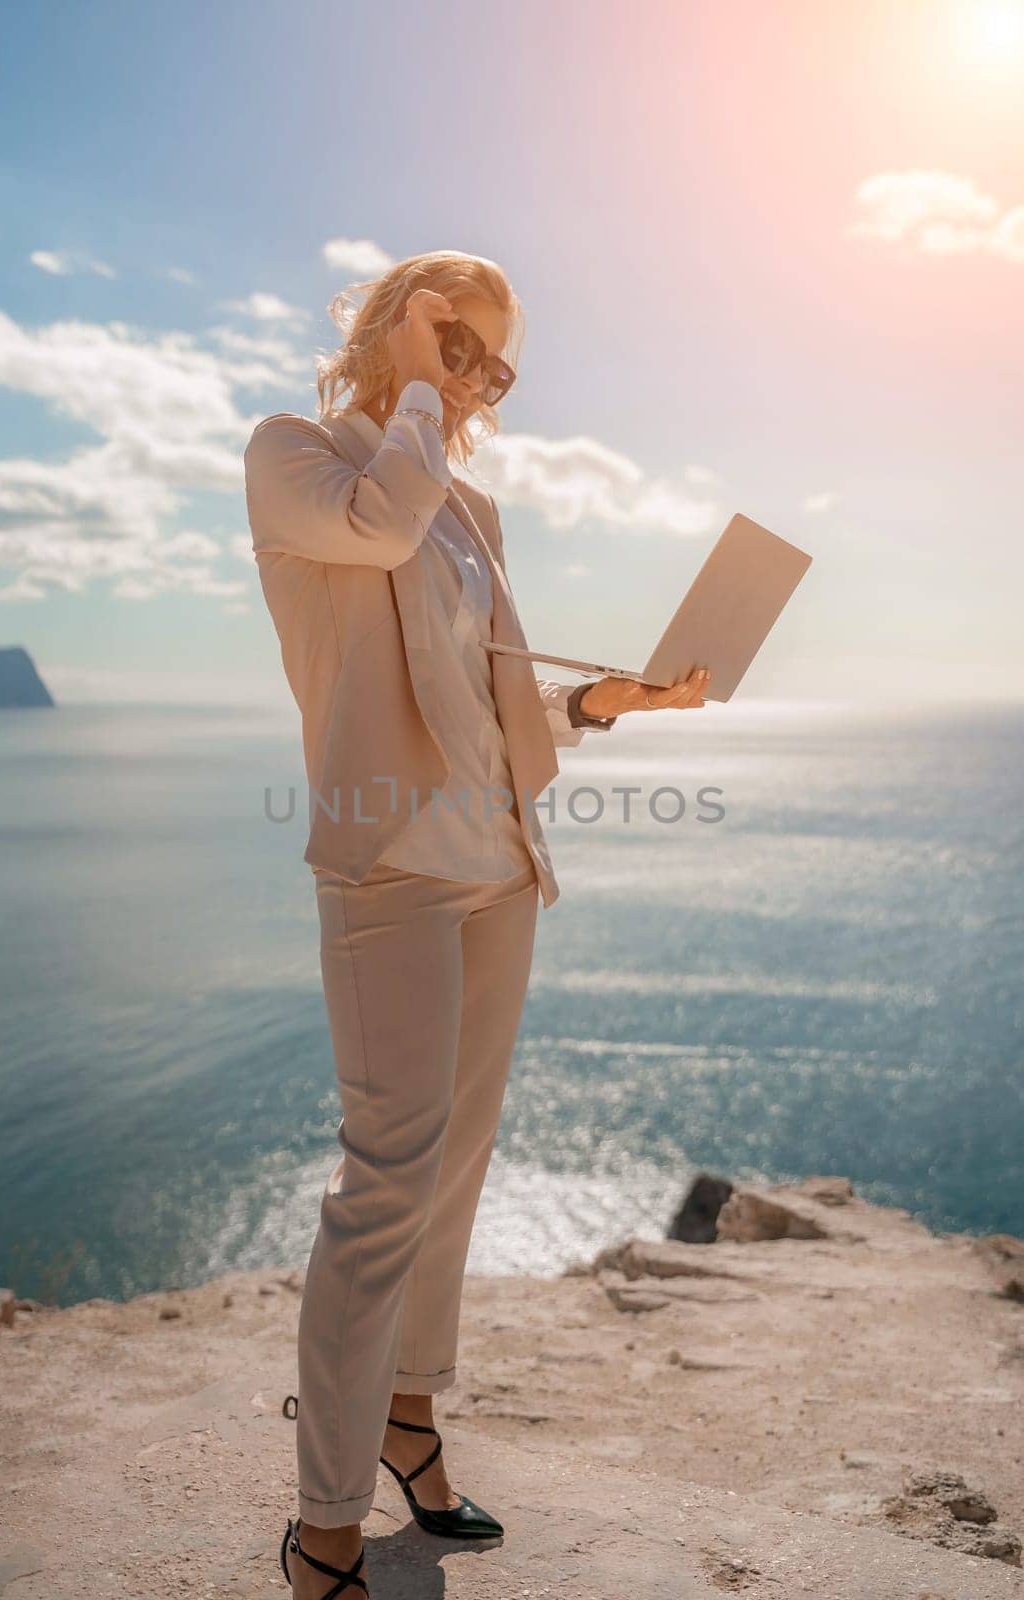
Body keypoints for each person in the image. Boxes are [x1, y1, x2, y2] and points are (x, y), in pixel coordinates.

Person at [244, 250, 708, 1597]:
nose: (475, 379)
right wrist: (421, 407)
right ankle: (324, 1521)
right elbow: (379, 530)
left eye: (491, 365)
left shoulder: (476, 513)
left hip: (499, 871)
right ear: (400, 317)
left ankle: (410, 1418)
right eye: (462, 341)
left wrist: (617, 703)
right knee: (385, 1179)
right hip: (388, 871)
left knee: (453, 1175)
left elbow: (495, 702)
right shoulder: (302, 459)